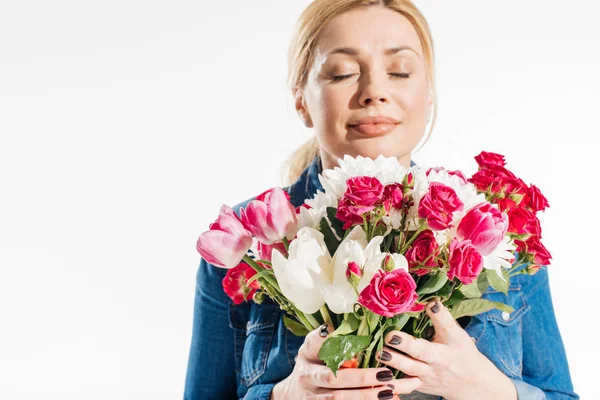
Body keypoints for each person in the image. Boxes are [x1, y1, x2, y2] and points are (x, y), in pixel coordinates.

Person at [184, 1, 579, 399]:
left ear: (428, 97)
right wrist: (284, 396)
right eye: (342, 73)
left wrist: (493, 392)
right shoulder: (246, 240)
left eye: (400, 71)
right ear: (302, 99)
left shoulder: (493, 234)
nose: (374, 91)